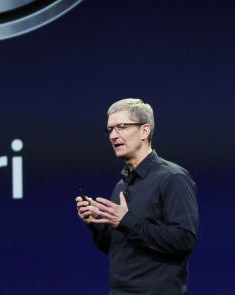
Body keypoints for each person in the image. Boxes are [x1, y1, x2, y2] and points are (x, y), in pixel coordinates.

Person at [76, 98, 199, 294]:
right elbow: (118, 249)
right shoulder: (122, 185)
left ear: (144, 131)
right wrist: (95, 225)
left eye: (122, 127)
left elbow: (184, 240)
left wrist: (127, 221)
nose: (113, 136)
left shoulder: (172, 178)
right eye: (110, 130)